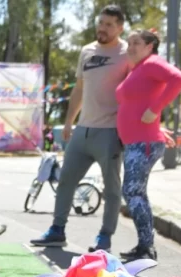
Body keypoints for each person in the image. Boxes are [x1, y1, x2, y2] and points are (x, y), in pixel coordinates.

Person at [31, 5, 131, 252]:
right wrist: (68, 121)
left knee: (111, 188)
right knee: (65, 180)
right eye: (101, 23)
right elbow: (79, 89)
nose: (103, 28)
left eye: (109, 24)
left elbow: (137, 89)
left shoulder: (128, 53)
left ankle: (104, 236)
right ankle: (57, 230)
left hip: (110, 133)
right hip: (82, 130)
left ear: (120, 28)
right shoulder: (87, 51)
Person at [115, 29, 181, 261]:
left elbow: (179, 79)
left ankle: (147, 247)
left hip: (142, 143)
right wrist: (157, 123)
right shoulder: (138, 69)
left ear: (149, 46)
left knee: (133, 191)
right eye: (129, 42)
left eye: (136, 42)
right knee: (135, 192)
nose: (131, 46)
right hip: (137, 142)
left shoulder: (153, 63)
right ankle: (145, 246)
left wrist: (155, 110)